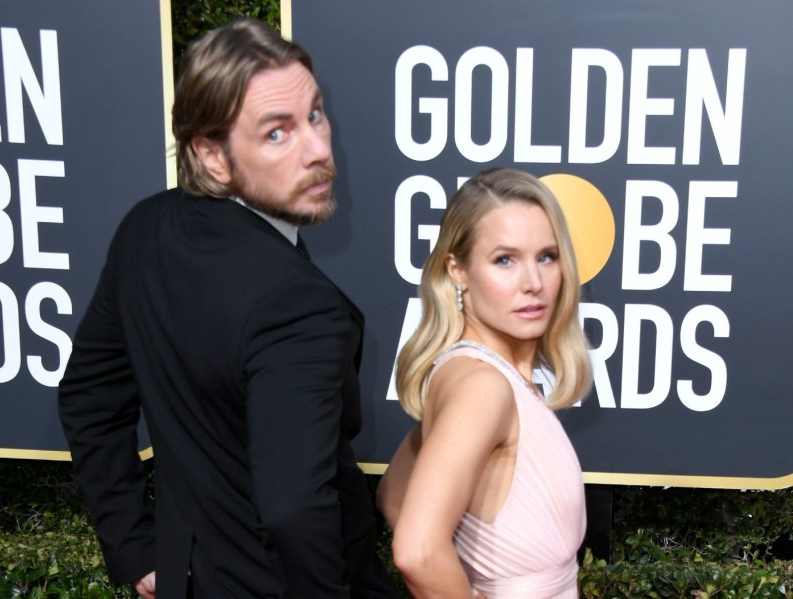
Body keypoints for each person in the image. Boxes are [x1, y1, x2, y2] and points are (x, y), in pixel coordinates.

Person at [58, 19, 397, 599]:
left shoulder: (147, 229)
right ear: (211, 156)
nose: (318, 150)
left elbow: (88, 399)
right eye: (276, 133)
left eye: (315, 114)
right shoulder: (298, 306)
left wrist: (137, 550)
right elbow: (294, 510)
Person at [377, 168, 593, 598]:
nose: (534, 284)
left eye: (546, 257)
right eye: (505, 260)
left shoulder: (479, 376)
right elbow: (417, 550)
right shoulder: (482, 386)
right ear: (457, 270)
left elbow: (395, 494)